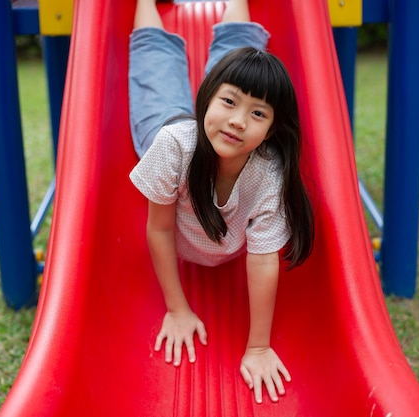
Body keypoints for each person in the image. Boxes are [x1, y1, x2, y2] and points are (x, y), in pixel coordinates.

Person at [128, 0, 314, 405]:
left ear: (270, 131)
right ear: (207, 98)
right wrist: (178, 309)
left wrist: (259, 347)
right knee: (155, 71)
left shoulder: (269, 174)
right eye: (228, 102)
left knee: (242, 59)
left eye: (258, 114)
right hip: (168, 128)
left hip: (200, 138)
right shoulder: (172, 146)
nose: (238, 121)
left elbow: (264, 259)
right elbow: (159, 227)